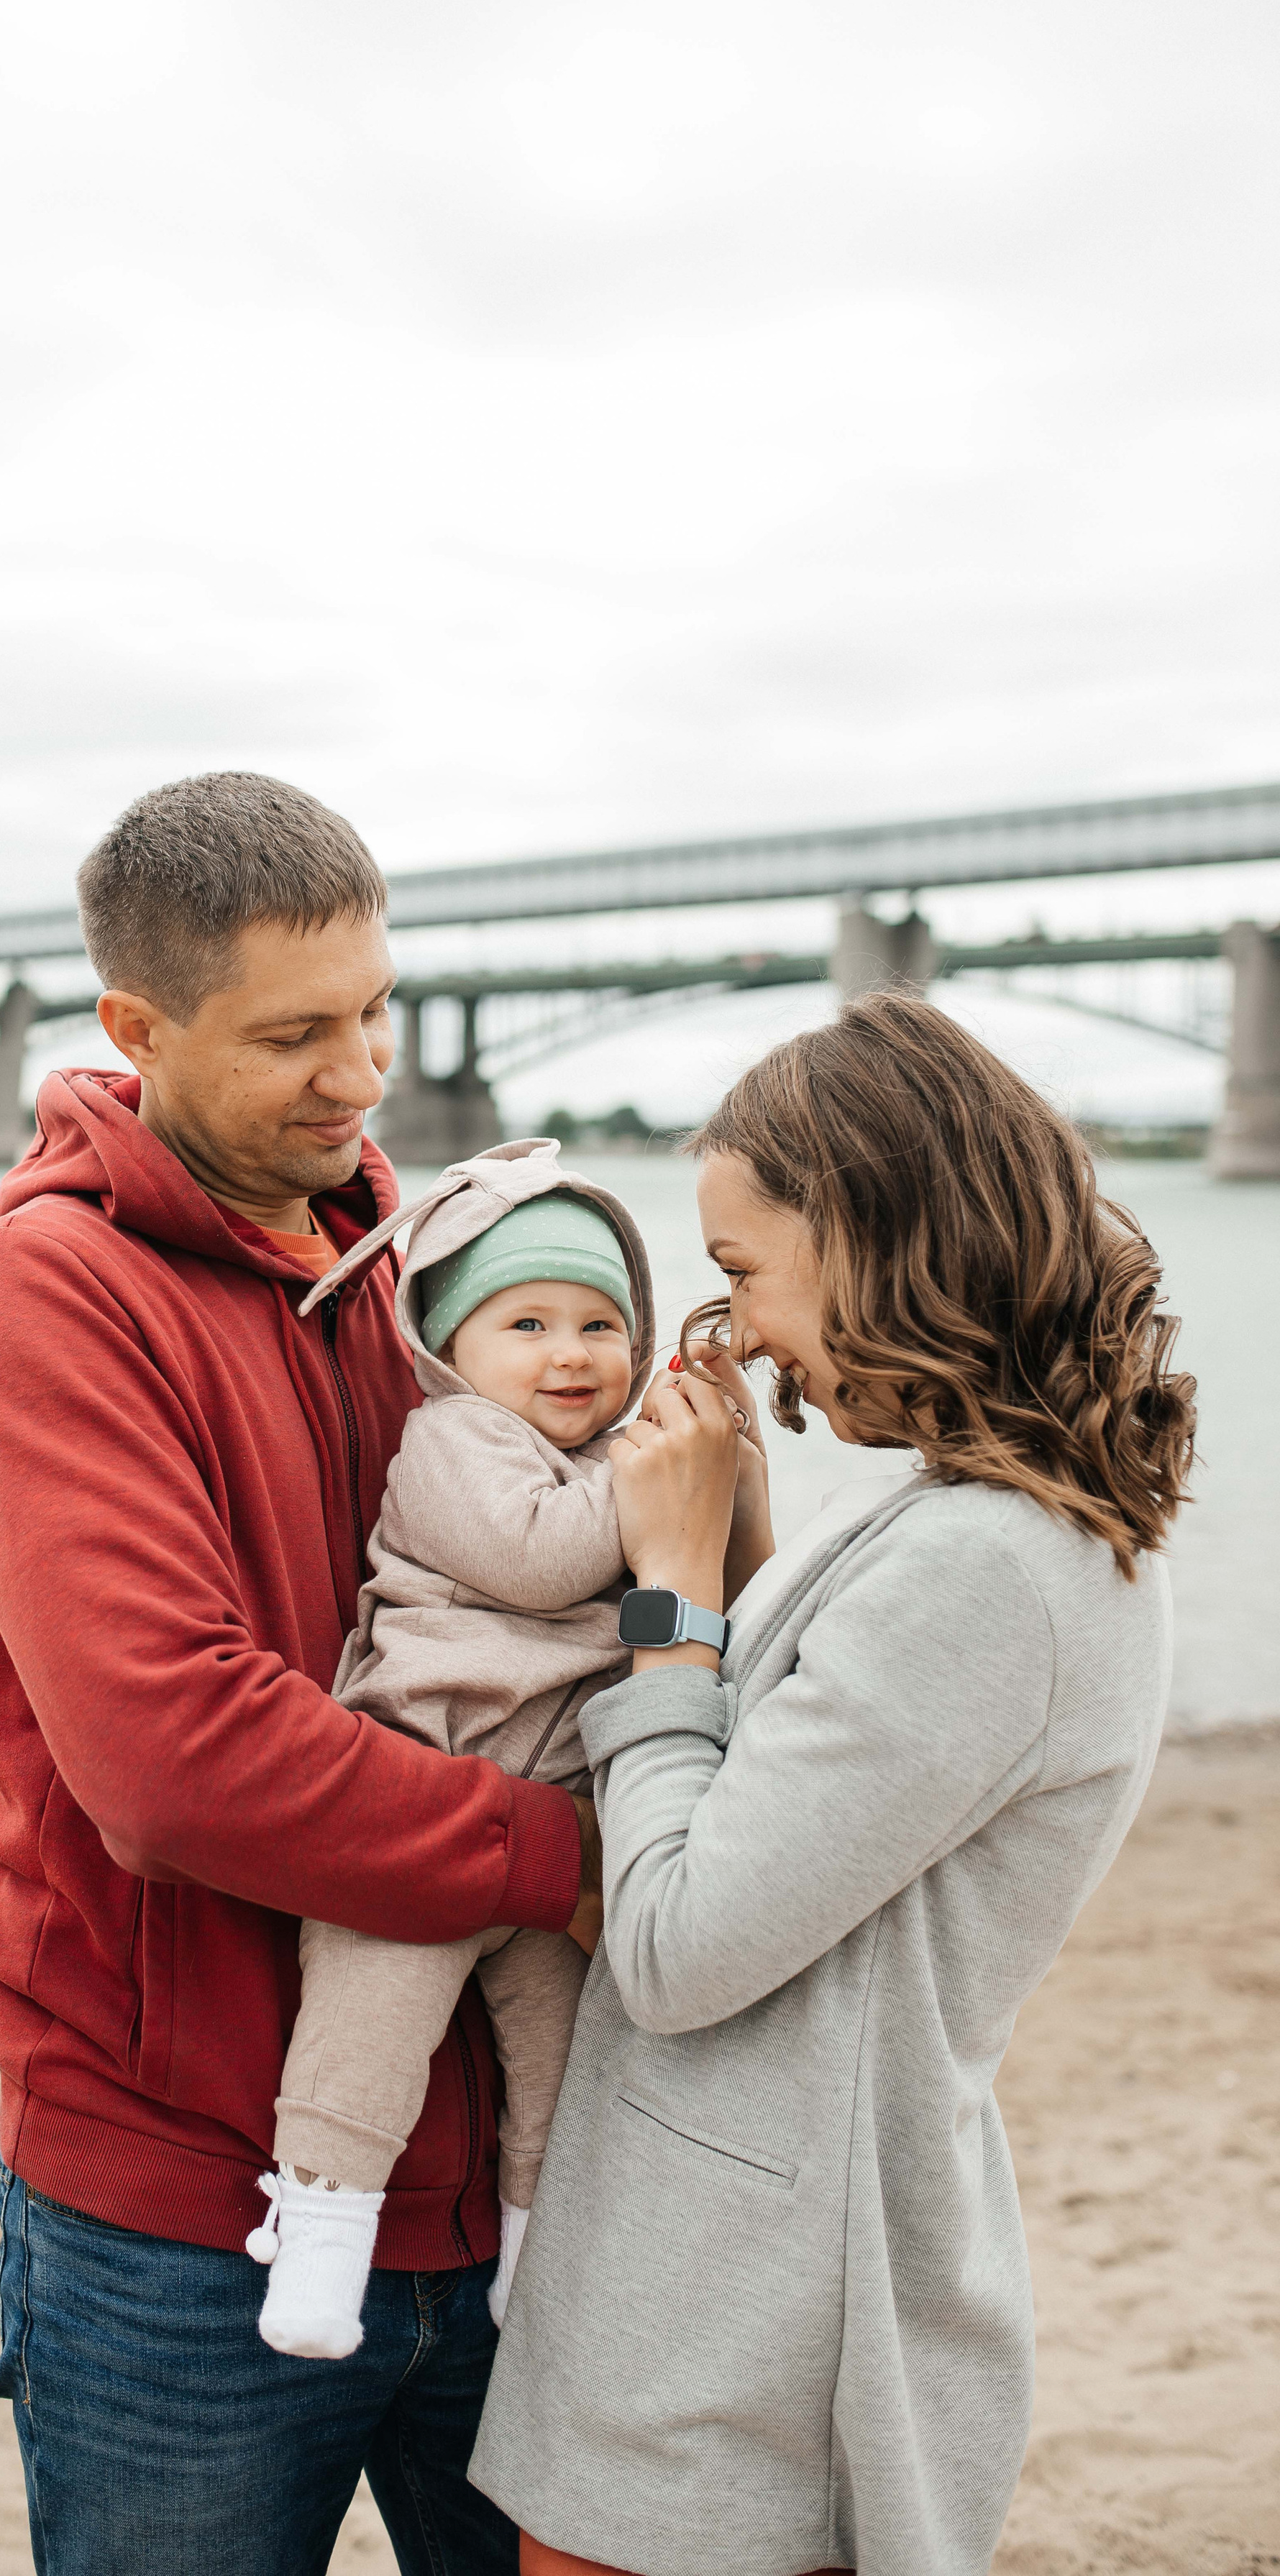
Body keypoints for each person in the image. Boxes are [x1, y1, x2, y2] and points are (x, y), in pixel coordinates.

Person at [0, 771, 598, 2576]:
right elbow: (178, 1758)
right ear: (135, 1029)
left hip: (516, 2186)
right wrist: (584, 1866)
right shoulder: (43, 1302)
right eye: (295, 1033)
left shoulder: (429, 1284)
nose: (362, 1072)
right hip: (180, 2216)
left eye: (373, 1008)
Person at [470, 993, 1196, 2576]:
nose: (728, 1332)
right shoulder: (973, 1521)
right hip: (743, 2289)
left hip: (744, 2329)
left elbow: (674, 1950)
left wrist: (664, 1596)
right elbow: (789, 1808)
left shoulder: (989, 1570)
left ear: (869, 1236)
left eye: (737, 1272)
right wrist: (734, 1529)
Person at [251, 1149, 655, 2361]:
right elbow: (543, 1562)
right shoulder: (454, 1440)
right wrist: (660, 1476)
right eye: (526, 1322)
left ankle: (534, 2258)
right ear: (447, 1345)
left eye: (600, 1323)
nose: (570, 1353)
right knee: (369, 2028)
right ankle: (319, 2233)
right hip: (426, 1797)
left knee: (561, 2061)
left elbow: (687, 1595)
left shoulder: (600, 1459)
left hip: (547, 1821)